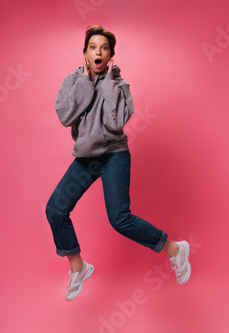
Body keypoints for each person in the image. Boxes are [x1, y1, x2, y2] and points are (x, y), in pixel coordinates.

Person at [46, 25, 191, 301]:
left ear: (111, 55)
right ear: (85, 53)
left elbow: (115, 123)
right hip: (87, 157)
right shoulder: (72, 81)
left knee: (119, 219)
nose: (97, 52)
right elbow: (65, 117)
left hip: (114, 155)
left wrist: (110, 82)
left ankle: (174, 249)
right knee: (55, 209)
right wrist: (87, 82)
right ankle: (78, 267)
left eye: (103, 48)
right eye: (92, 47)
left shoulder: (120, 86)